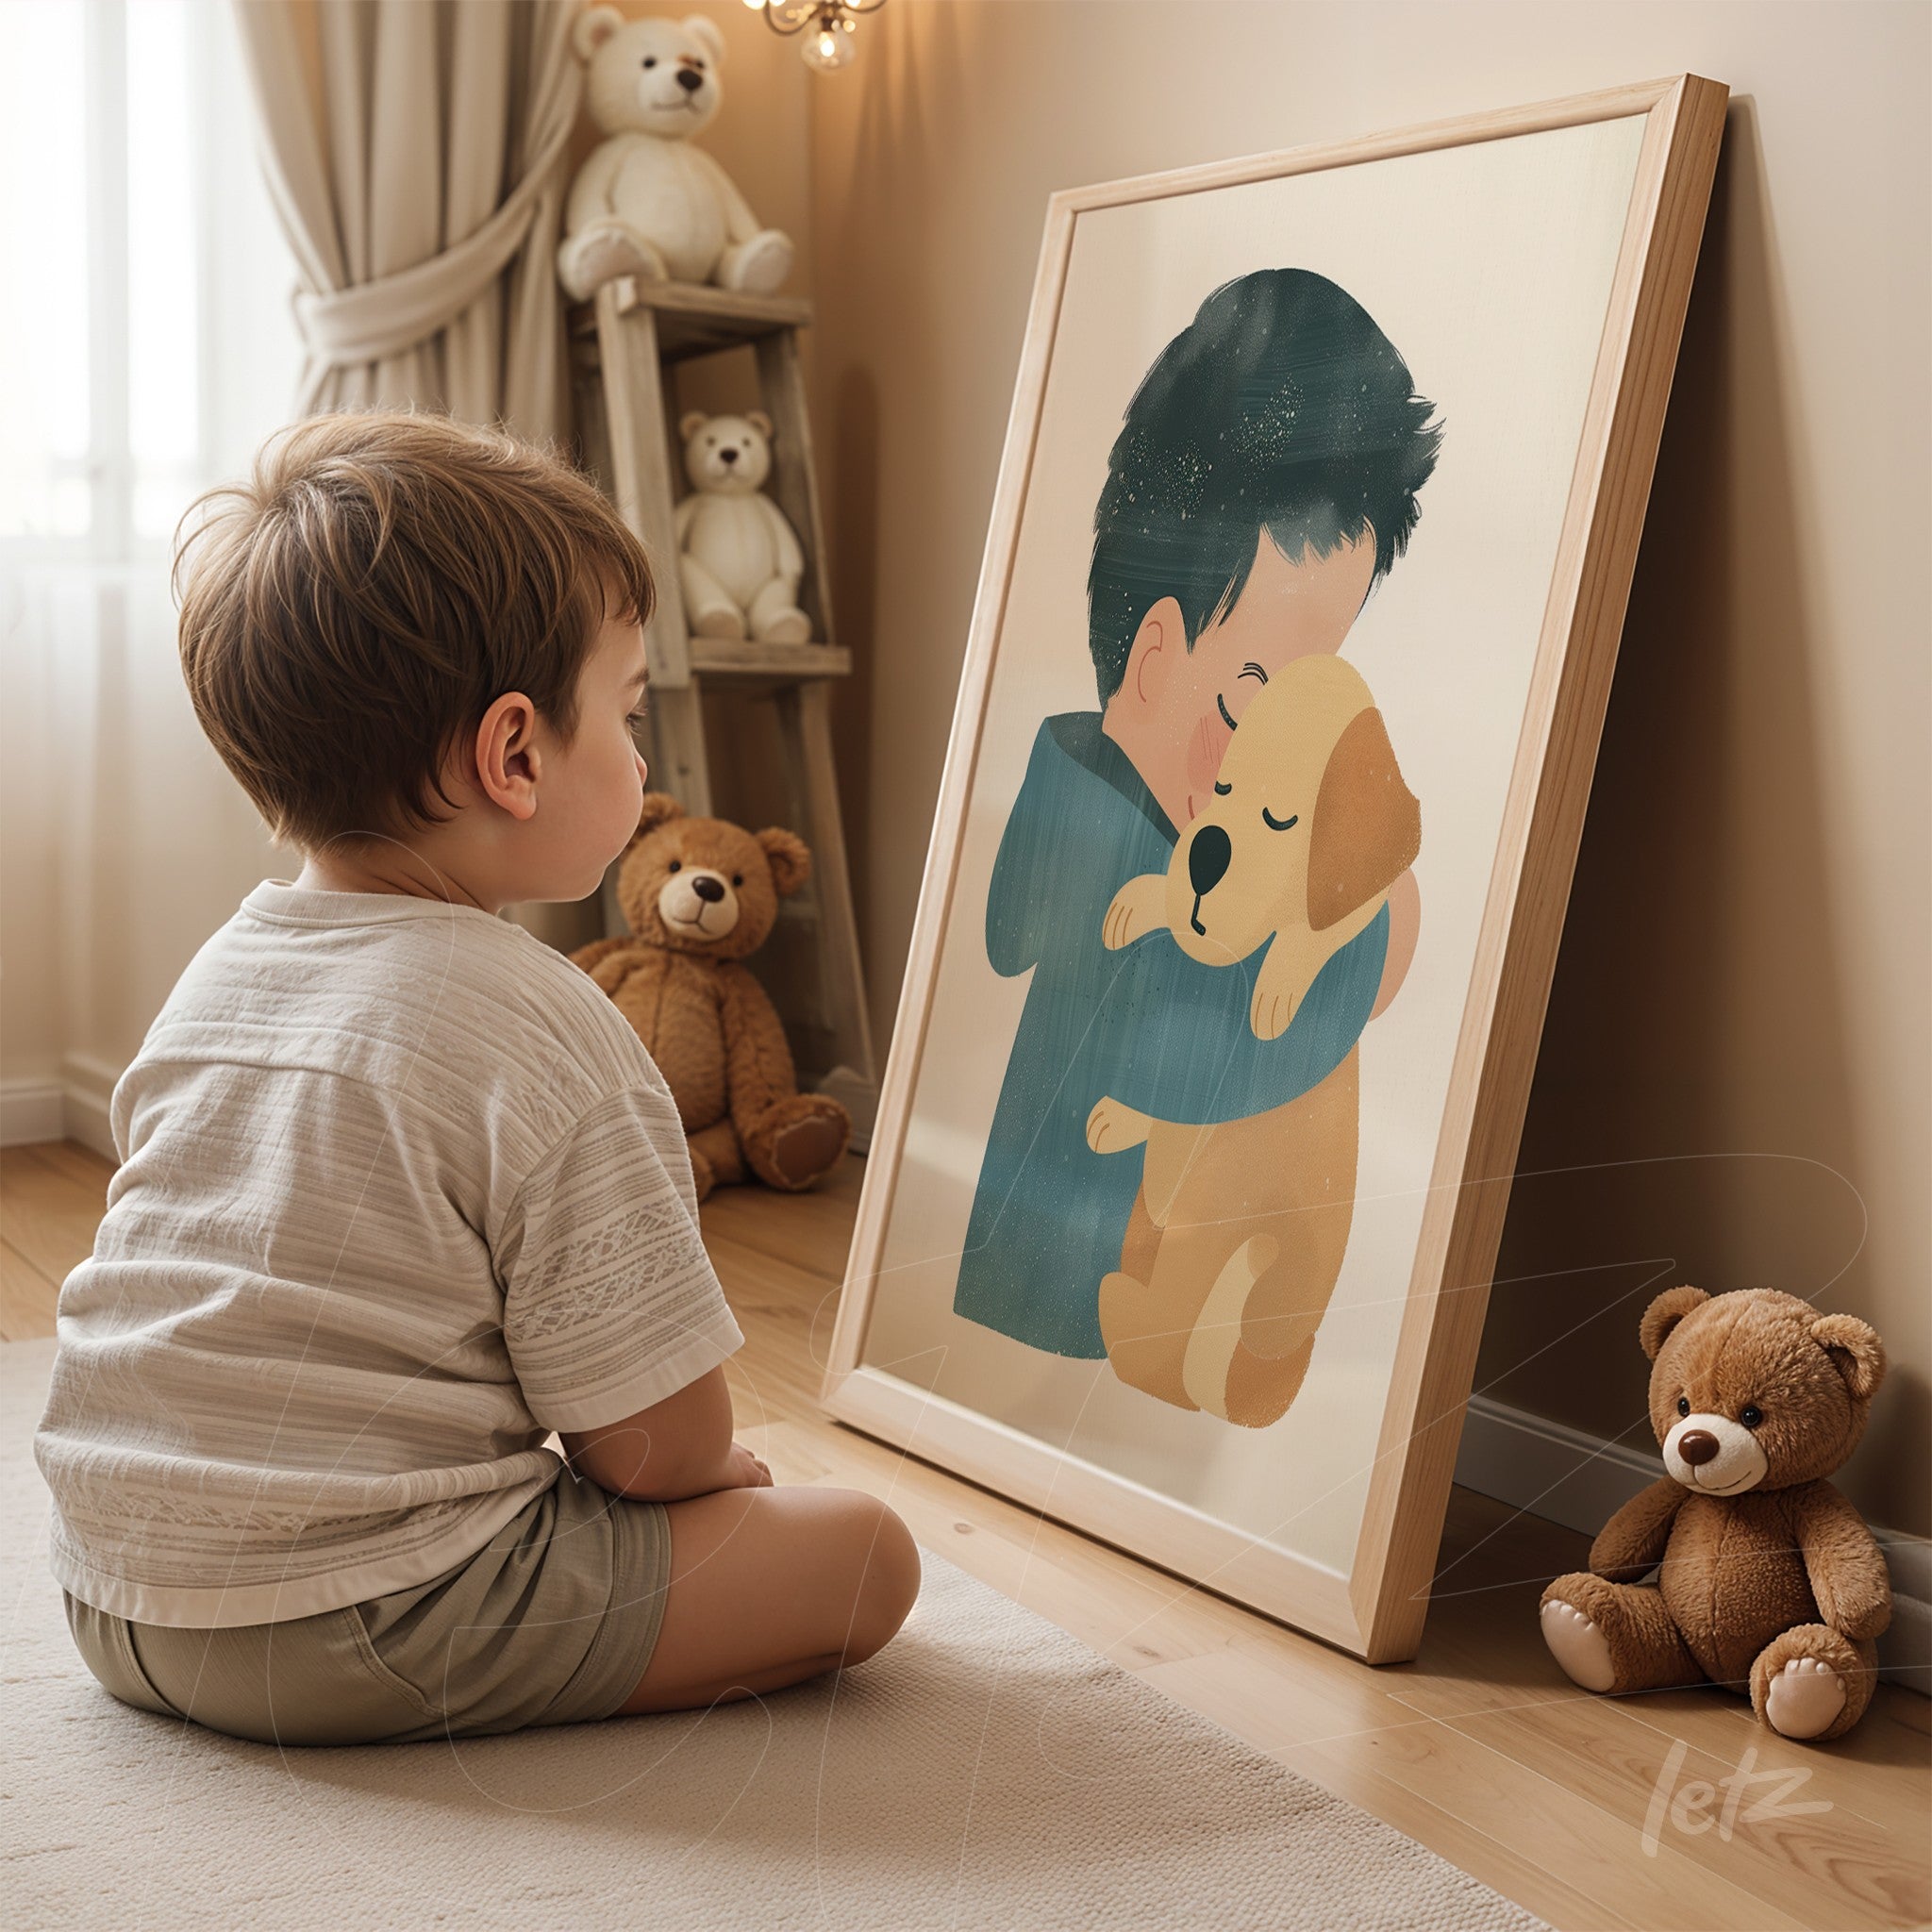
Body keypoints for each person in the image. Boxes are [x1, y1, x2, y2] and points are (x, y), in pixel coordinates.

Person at [33, 411, 919, 1747]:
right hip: (347, 1618)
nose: (642, 761)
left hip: (113, 1594)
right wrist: (717, 1476)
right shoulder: (545, 1022)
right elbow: (650, 1450)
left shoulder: (221, 974)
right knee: (863, 1554)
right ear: (513, 757)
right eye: (627, 715)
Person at [955, 269, 1442, 1358]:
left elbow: (1003, 934)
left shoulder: (1066, 776)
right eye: (1259, 687)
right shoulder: (1131, 863)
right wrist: (1372, 916)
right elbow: (1248, 1037)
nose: (1284, 739)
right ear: (1153, 659)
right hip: (1077, 1311)